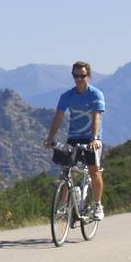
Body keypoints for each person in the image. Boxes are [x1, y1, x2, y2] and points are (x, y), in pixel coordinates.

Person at [44, 60, 106, 219]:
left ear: (89, 76)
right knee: (67, 171)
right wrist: (50, 137)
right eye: (75, 76)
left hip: (91, 138)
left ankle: (98, 206)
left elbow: (97, 117)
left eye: (82, 76)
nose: (78, 79)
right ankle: (64, 206)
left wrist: (94, 138)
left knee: (93, 171)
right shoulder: (67, 96)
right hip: (73, 137)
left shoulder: (95, 94)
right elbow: (58, 117)